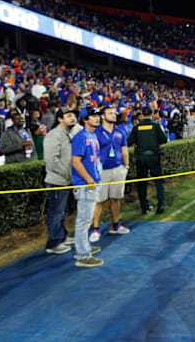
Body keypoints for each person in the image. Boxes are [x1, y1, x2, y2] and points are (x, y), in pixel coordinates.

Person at [89, 107, 130, 243]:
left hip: (118, 169)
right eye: (110, 113)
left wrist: (126, 166)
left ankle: (115, 225)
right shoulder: (96, 132)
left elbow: (124, 149)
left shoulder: (120, 131)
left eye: (114, 113)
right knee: (99, 200)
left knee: (115, 198)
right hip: (102, 171)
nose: (113, 115)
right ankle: (95, 228)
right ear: (102, 116)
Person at [71, 106, 104, 268]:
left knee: (86, 219)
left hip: (92, 182)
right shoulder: (81, 136)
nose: (97, 118)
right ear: (85, 119)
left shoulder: (92, 135)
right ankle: (83, 254)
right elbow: (75, 161)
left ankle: (84, 247)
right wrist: (89, 179)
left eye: (97, 115)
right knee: (83, 221)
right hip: (85, 185)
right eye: (92, 116)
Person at [43, 108, 77, 254]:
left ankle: (61, 236)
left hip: (66, 181)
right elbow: (51, 160)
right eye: (68, 116)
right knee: (56, 212)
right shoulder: (54, 135)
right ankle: (53, 243)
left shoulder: (67, 134)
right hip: (57, 181)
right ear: (59, 119)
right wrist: (66, 174)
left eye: (73, 115)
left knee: (64, 211)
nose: (73, 118)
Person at [128, 106, 167, 214]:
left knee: (142, 183)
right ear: (152, 114)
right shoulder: (155, 126)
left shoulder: (137, 127)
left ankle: (144, 207)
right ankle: (161, 205)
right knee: (159, 181)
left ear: (142, 114)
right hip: (154, 157)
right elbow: (164, 139)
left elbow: (128, 141)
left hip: (141, 158)